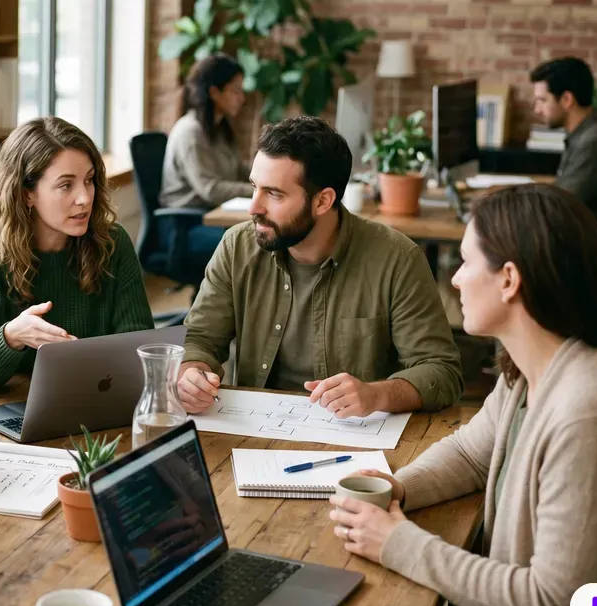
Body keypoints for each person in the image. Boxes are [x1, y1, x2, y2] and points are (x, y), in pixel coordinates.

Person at [328, 184, 597, 606]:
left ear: (509, 279)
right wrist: (399, 487)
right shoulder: (528, 371)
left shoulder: (591, 411)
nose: (455, 280)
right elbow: (472, 453)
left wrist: (399, 543)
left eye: (466, 263)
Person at [178, 116, 463, 416]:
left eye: (274, 193)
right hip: (253, 431)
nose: (254, 207)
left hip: (354, 438)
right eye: (254, 187)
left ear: (323, 201)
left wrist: (376, 394)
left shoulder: (398, 260)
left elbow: (441, 371)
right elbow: (200, 338)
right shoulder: (236, 247)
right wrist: (191, 374)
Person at [0, 116, 154, 390]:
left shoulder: (113, 244)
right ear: (26, 194)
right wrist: (11, 336)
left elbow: (140, 349)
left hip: (95, 399)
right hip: (11, 406)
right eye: (66, 185)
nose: (84, 198)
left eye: (89, 180)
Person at [530, 57, 597, 308]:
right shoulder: (587, 135)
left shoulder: (594, 144)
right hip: (586, 252)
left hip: (590, 266)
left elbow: (557, 208)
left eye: (542, 100)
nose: (537, 109)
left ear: (567, 100)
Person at [160, 53, 253, 210]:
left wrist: (268, 181)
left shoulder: (219, 128)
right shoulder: (190, 132)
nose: (242, 98)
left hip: (214, 212)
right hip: (190, 221)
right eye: (236, 91)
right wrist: (258, 191)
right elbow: (211, 189)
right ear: (214, 92)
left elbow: (239, 171)